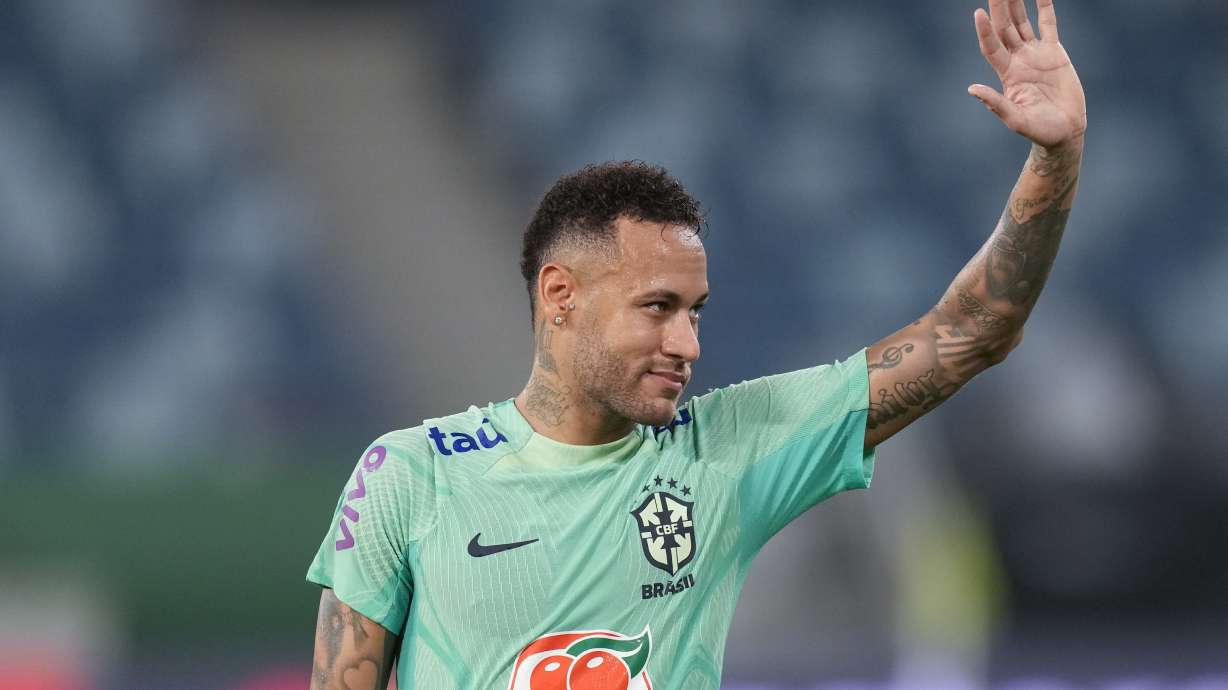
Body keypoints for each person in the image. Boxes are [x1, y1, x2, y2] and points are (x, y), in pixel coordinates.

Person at [306, 0, 1086, 687]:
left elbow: (969, 332)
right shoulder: (409, 477)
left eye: (696, 312)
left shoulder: (725, 452)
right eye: (657, 308)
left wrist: (1055, 159)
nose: (687, 344)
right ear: (560, 295)